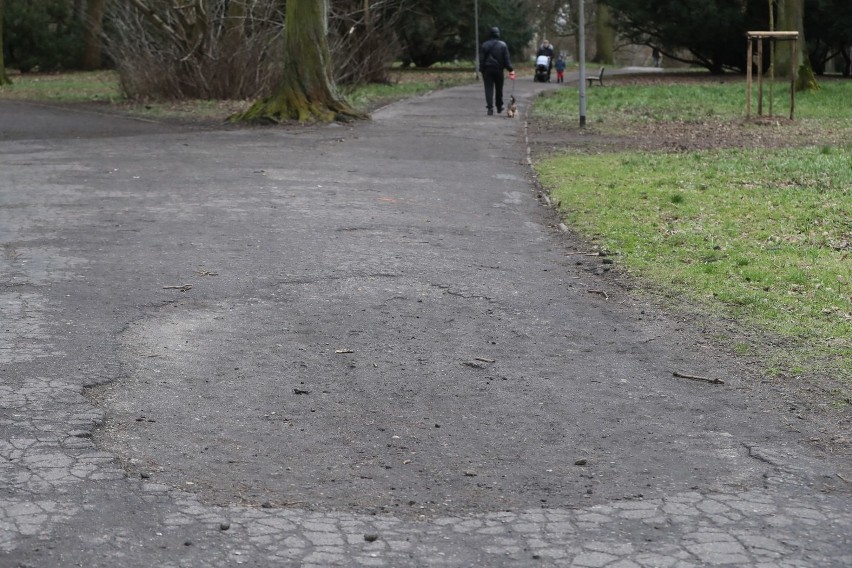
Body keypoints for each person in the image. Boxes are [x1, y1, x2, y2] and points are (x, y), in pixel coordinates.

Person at [479, 27, 515, 116]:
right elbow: (506, 59)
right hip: (498, 70)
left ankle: (490, 108)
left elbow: (481, 59)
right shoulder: (503, 45)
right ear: (498, 34)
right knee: (499, 89)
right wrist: (511, 69)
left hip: (487, 70)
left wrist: (481, 69)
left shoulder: (484, 45)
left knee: (488, 89)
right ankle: (499, 107)